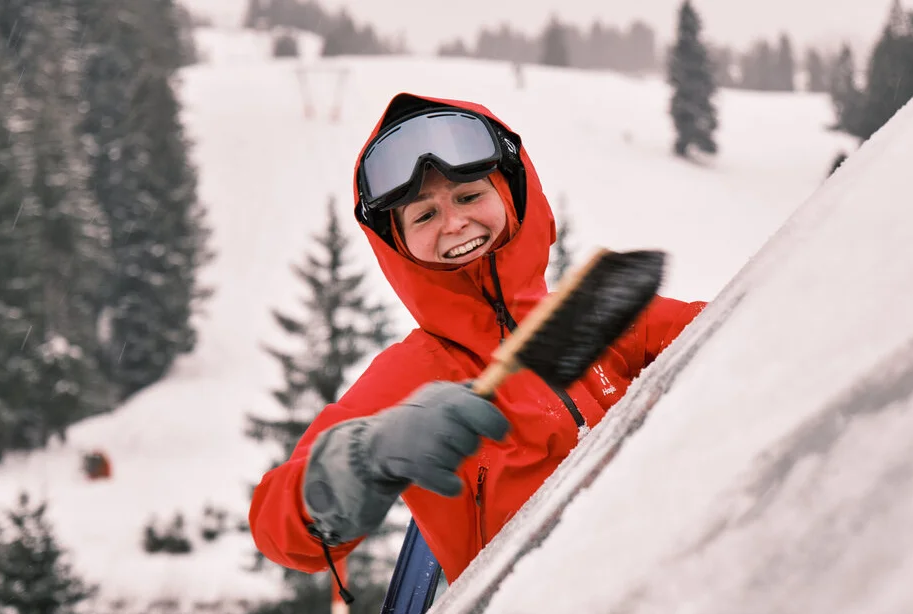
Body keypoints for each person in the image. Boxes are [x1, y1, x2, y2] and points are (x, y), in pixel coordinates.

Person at [248, 93, 707, 587]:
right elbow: (279, 527)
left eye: (469, 196)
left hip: (681, 591)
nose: (454, 222)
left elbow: (743, 334)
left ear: (511, 195)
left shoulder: (591, 316)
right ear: (398, 245)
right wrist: (369, 455)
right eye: (423, 215)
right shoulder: (413, 374)